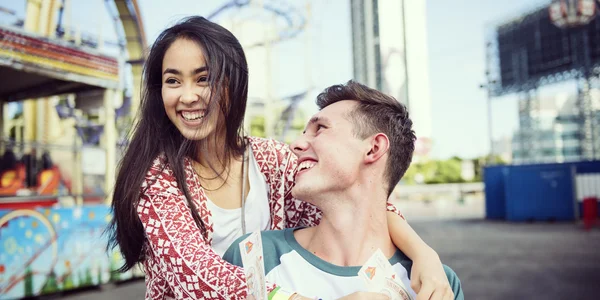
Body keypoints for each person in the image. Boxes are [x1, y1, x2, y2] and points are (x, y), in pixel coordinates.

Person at [108, 16, 449, 299]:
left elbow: (367, 206)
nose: (188, 96)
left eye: (203, 78)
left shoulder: (270, 159)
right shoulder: (156, 179)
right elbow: (198, 277)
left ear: (233, 83)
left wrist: (424, 255)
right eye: (173, 81)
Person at [224, 81, 463, 300]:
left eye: (320, 129)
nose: (295, 145)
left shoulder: (434, 284)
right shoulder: (252, 256)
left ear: (373, 148)